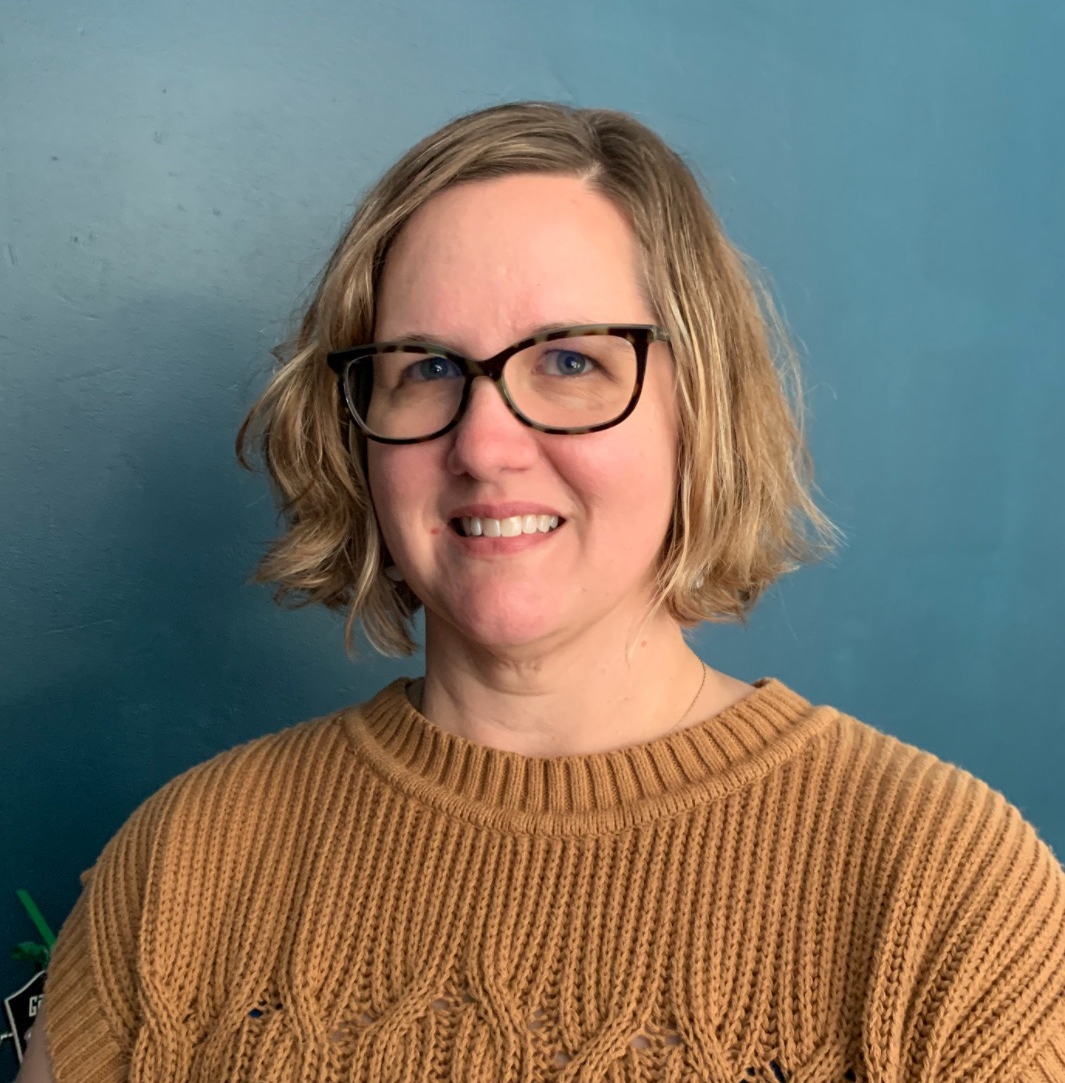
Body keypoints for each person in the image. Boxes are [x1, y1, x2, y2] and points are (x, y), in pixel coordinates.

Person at [19, 103, 1065, 1083]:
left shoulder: (944, 887)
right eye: (426, 368)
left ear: (701, 409)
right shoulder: (184, 864)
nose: (484, 446)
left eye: (569, 361)